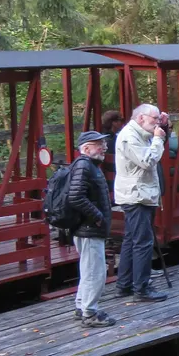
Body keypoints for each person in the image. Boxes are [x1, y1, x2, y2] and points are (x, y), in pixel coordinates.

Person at [114, 104, 168, 301]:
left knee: (131, 240)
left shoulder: (137, 133)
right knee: (143, 243)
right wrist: (158, 139)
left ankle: (125, 285)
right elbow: (147, 160)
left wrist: (161, 130)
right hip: (137, 196)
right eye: (154, 119)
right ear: (140, 118)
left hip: (139, 194)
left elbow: (151, 142)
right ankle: (141, 289)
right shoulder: (129, 136)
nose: (156, 123)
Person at [66, 131, 115, 327]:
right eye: (99, 144)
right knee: (96, 271)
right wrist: (97, 217)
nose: (104, 147)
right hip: (88, 229)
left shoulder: (87, 165)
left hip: (87, 228)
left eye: (104, 143)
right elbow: (76, 196)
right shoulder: (85, 166)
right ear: (86, 148)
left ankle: (81, 306)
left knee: (88, 269)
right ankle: (90, 312)